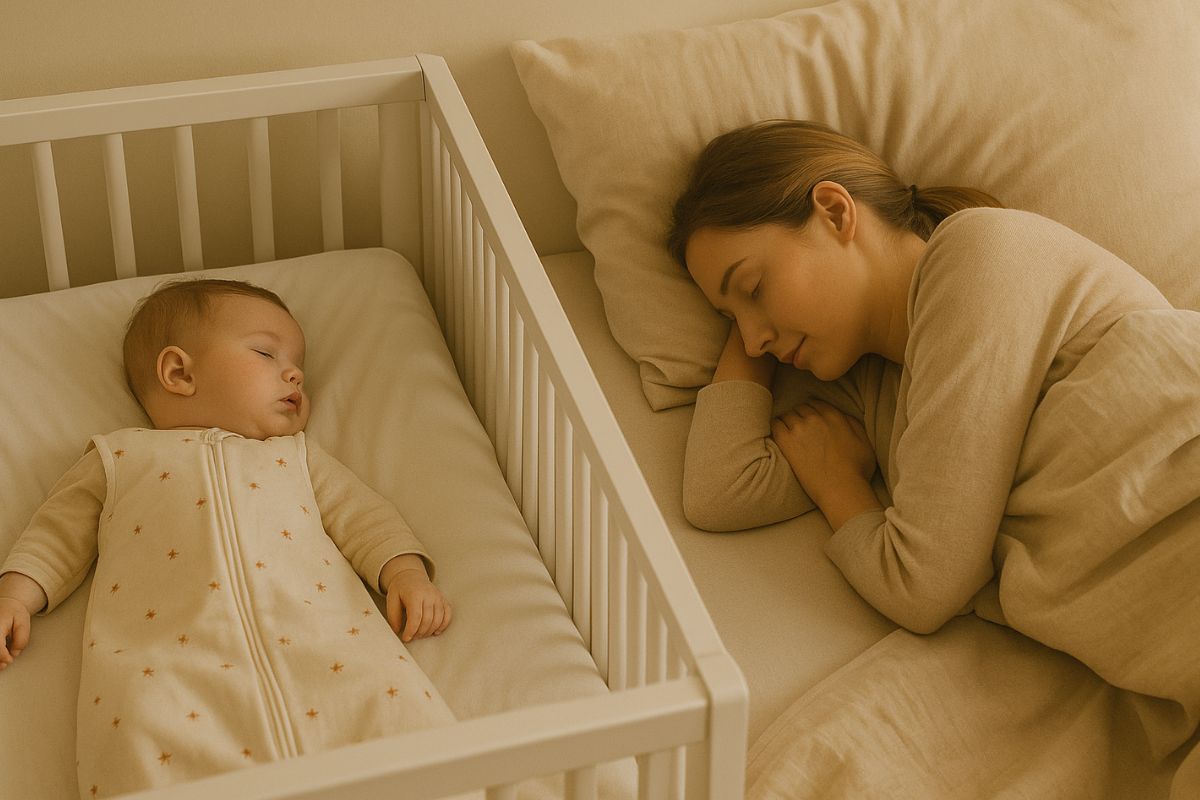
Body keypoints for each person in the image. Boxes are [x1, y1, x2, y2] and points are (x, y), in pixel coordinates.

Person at [669, 120, 1200, 791]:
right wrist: (749, 332)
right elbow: (721, 490)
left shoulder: (980, 252)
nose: (756, 337)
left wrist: (843, 492)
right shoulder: (873, 398)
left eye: (752, 288)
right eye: (730, 321)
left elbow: (923, 587)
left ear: (834, 211)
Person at [0, 279, 456, 798]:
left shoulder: (296, 458)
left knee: (390, 713)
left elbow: (365, 517)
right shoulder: (119, 458)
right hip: (166, 664)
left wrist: (404, 573)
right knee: (142, 738)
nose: (295, 372)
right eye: (265, 352)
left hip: (326, 648)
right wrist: (15, 596)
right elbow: (56, 535)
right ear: (178, 372)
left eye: (297, 364)